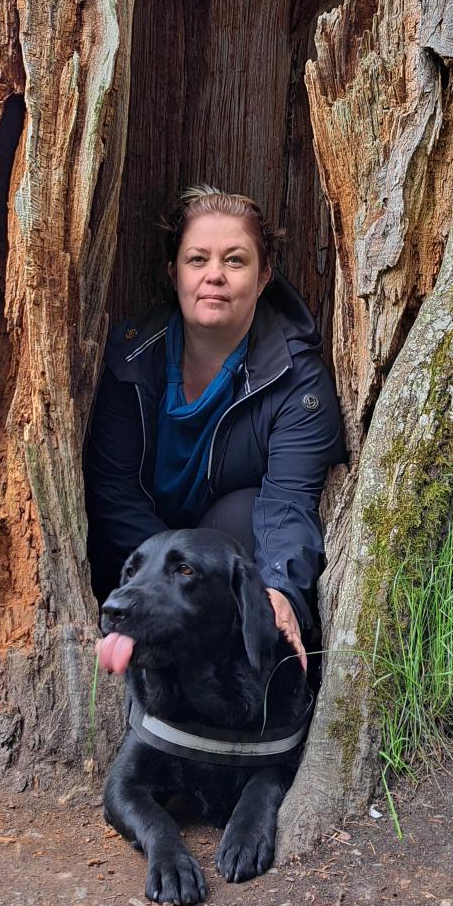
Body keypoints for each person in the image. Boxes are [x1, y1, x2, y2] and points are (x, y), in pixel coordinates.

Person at [85, 185, 345, 671]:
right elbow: (113, 494)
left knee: (244, 510)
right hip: (137, 554)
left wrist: (280, 590)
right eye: (197, 259)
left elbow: (289, 503)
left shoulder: (297, 380)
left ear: (264, 276)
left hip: (223, 557)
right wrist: (162, 581)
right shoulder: (131, 359)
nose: (214, 276)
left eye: (235, 261)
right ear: (174, 272)